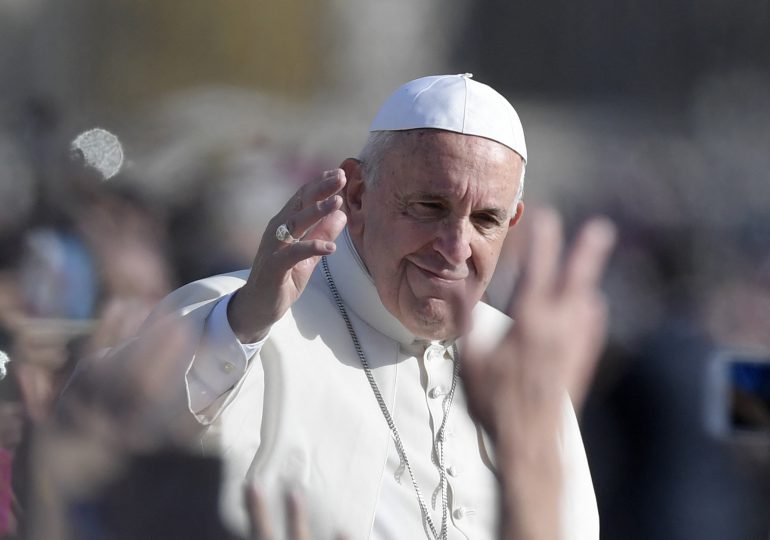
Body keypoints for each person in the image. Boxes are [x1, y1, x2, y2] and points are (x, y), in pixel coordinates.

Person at [104, 74, 614, 540]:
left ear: (513, 223)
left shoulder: (517, 358)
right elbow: (105, 457)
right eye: (431, 207)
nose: (455, 246)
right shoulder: (242, 316)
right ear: (361, 194)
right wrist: (243, 327)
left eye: (485, 220)